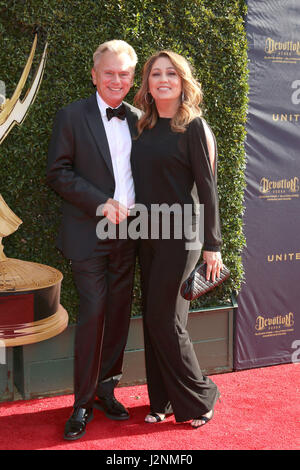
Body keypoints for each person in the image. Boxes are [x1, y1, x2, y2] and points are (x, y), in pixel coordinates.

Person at [47, 40, 142, 440]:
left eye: (124, 73)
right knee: (95, 312)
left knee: (119, 312)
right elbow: (58, 172)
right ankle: (82, 403)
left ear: (132, 78)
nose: (116, 80)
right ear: (94, 75)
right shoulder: (71, 116)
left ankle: (107, 389)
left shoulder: (142, 119)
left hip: (132, 234)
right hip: (89, 232)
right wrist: (100, 203)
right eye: (109, 73)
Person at [131, 50, 223, 428]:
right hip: (146, 234)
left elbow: (208, 188)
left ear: (183, 81)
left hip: (181, 236)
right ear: (148, 84)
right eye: (156, 74)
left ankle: (201, 396)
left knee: (166, 320)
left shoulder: (194, 126)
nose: (163, 79)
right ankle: (162, 399)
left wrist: (212, 245)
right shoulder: (143, 127)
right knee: (155, 322)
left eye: (171, 73)